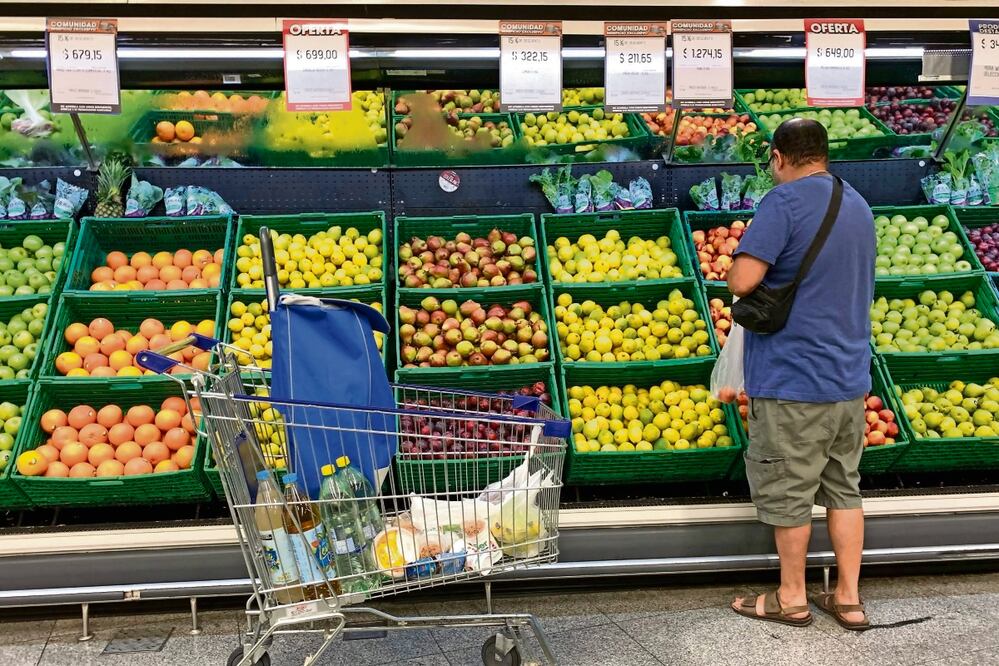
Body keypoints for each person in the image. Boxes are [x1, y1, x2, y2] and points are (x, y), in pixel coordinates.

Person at [727, 118, 875, 631]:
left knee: (789, 492)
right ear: (824, 154)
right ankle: (849, 598)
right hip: (848, 377)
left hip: (795, 377)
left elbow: (745, 281)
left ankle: (792, 597)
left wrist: (732, 268)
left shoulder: (782, 202)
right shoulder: (856, 203)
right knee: (844, 488)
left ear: (778, 156)